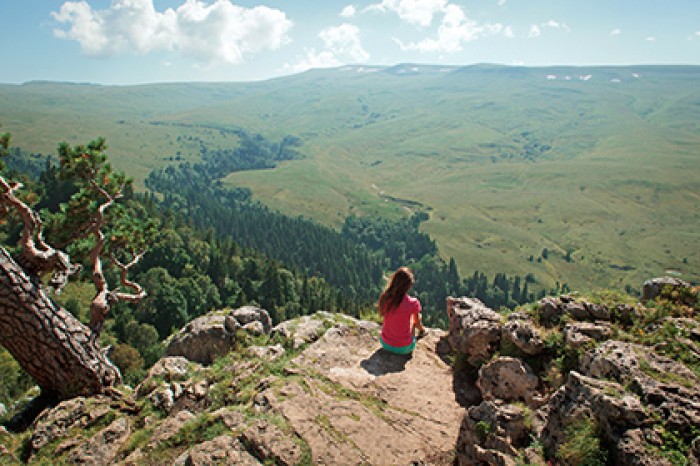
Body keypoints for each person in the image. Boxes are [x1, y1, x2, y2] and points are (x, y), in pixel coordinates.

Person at [377, 267, 425, 355]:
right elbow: (417, 323)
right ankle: (415, 338)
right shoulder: (412, 303)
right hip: (404, 348)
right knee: (416, 318)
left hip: (385, 344)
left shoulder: (385, 298)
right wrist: (422, 330)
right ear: (409, 286)